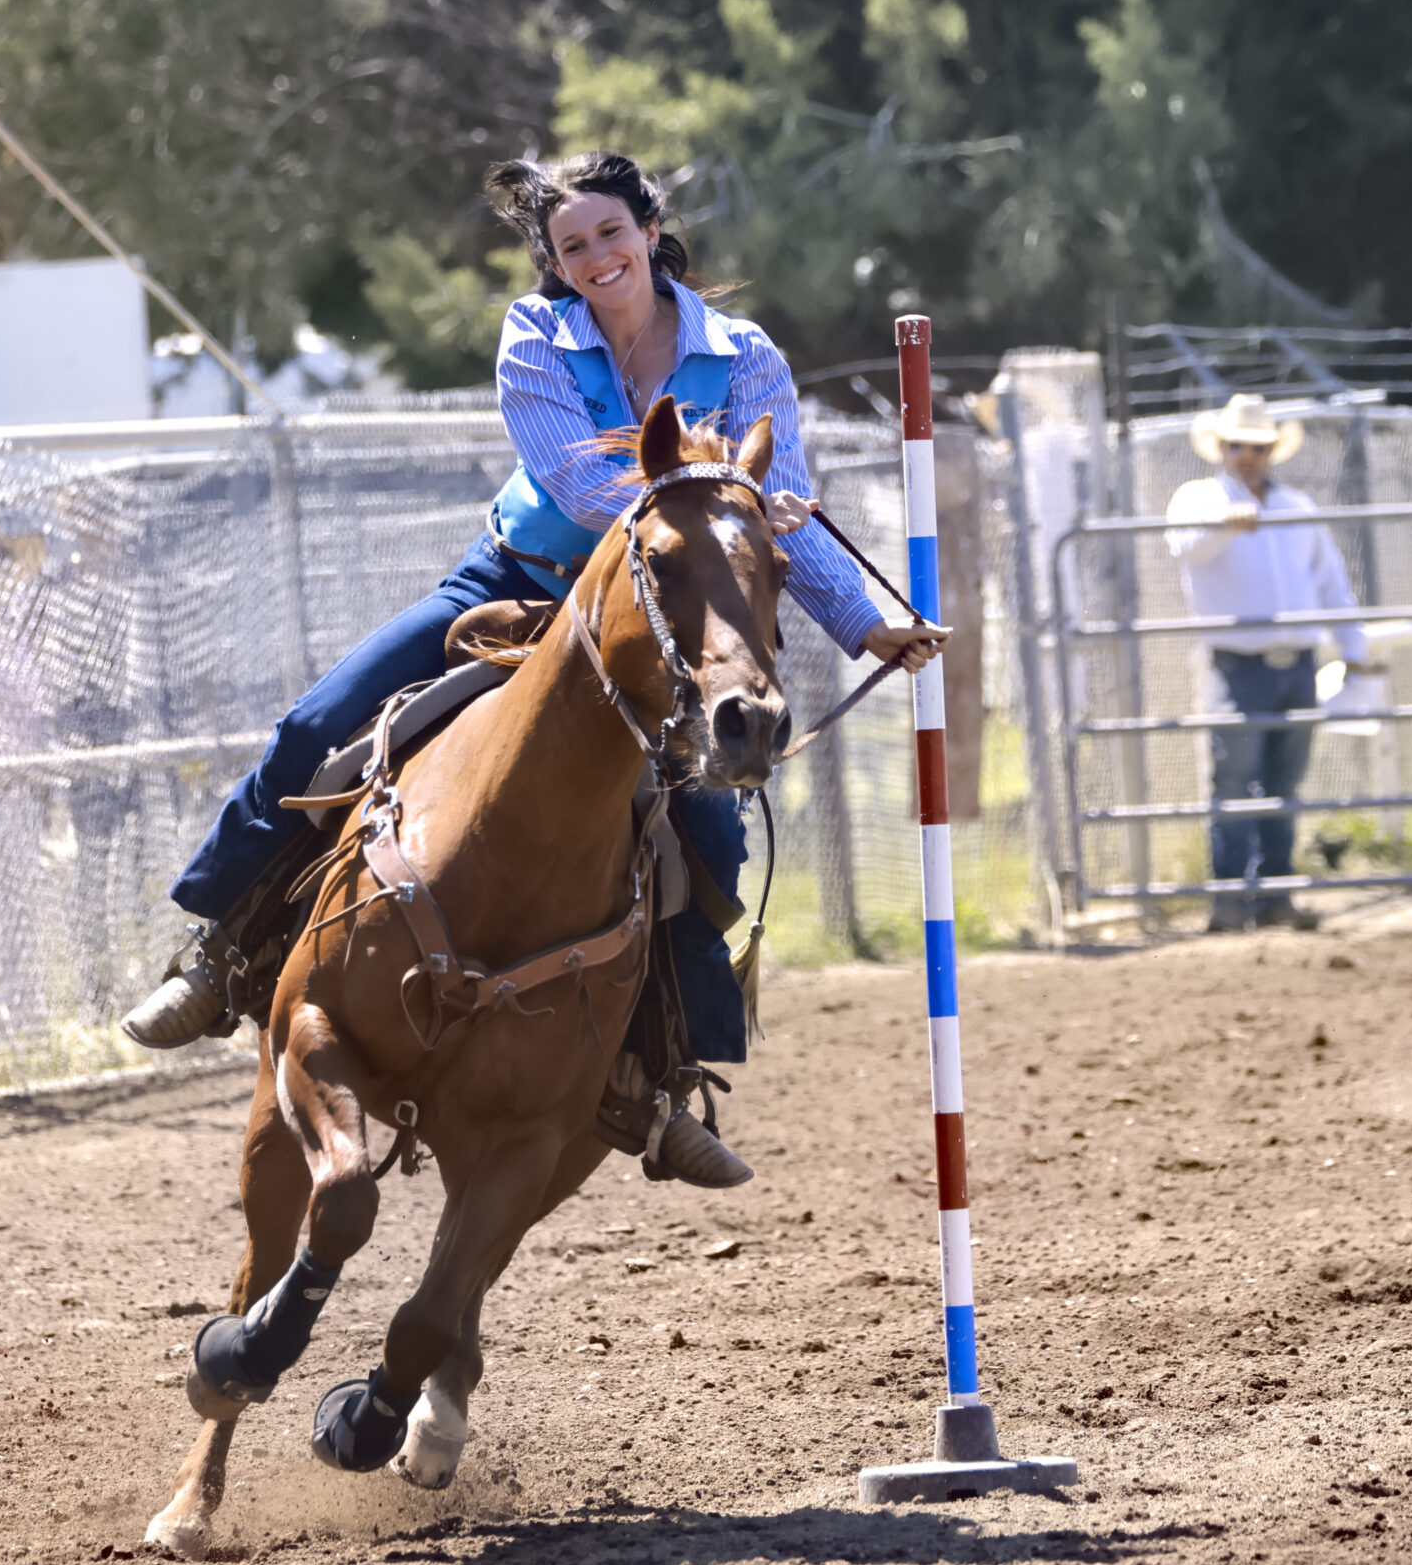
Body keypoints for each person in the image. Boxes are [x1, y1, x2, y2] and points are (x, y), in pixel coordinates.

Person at [119, 151, 948, 1185]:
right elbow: (573, 481)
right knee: (315, 724)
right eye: (571, 247)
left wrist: (869, 623)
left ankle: (658, 1080)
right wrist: (713, 498)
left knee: (710, 835)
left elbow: (793, 509)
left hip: (668, 619)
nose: (594, 257)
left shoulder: (742, 355)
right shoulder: (536, 338)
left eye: (610, 234)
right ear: (555, 264)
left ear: (650, 231)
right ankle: (219, 951)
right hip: (522, 579)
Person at [1164, 395, 1384, 934]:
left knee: (1285, 781)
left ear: (1271, 452)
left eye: (1258, 447)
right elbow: (1186, 547)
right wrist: (1224, 525)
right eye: (1238, 445)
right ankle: (1231, 899)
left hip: (1297, 664)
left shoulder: (1297, 508)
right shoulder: (1199, 498)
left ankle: (1276, 893)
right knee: (1234, 781)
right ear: (1220, 448)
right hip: (1238, 665)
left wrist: (1353, 649)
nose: (1248, 456)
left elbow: (1331, 581)